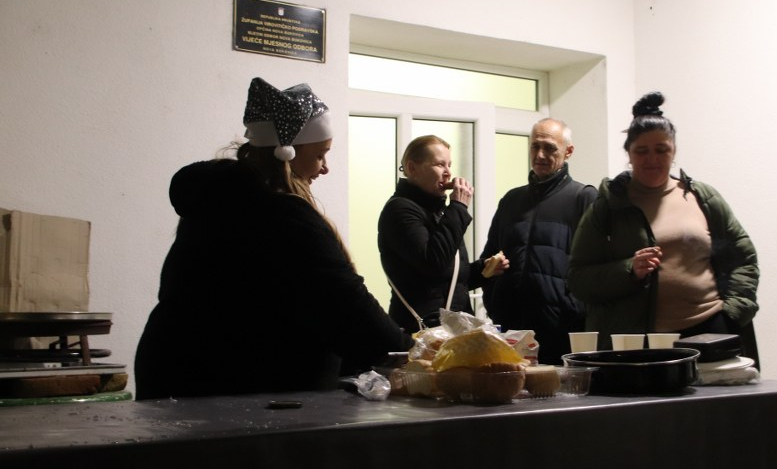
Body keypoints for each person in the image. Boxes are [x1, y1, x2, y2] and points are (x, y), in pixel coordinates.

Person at [135, 78, 412, 399]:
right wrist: (410, 350)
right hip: (226, 388)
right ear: (288, 153)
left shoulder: (222, 201)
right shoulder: (280, 215)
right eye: (320, 155)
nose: (325, 168)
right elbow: (343, 301)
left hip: (178, 375)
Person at [567, 91, 759, 354]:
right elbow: (578, 280)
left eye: (661, 150)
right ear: (628, 153)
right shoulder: (608, 206)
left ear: (674, 151)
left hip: (712, 331)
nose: (652, 159)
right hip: (639, 343)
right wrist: (629, 270)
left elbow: (744, 258)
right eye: (642, 151)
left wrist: (733, 313)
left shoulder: (703, 197)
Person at [480, 118, 596, 364]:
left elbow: (595, 266)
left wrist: (573, 309)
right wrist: (495, 303)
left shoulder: (583, 198)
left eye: (550, 148)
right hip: (511, 333)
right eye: (535, 146)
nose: (540, 155)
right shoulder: (511, 200)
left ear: (568, 151)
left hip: (563, 334)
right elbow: (489, 260)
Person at [378, 135, 503, 333]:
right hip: (422, 331)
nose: (448, 173)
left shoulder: (438, 212)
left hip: (453, 329)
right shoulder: (400, 210)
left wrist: (483, 270)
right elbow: (433, 263)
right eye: (439, 164)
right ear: (412, 168)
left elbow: (447, 279)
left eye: (449, 165)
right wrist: (459, 207)